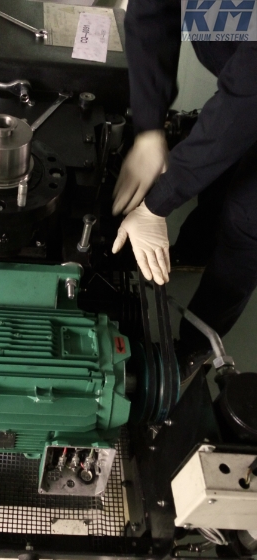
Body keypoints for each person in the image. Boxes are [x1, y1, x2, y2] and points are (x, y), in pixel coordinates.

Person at [111, 0, 257, 376]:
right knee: (223, 169)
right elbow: (152, 13)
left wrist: (156, 205)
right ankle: (196, 250)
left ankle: (192, 349)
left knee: (246, 220)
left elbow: (248, 98)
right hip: (241, 76)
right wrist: (148, 128)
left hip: (250, 88)